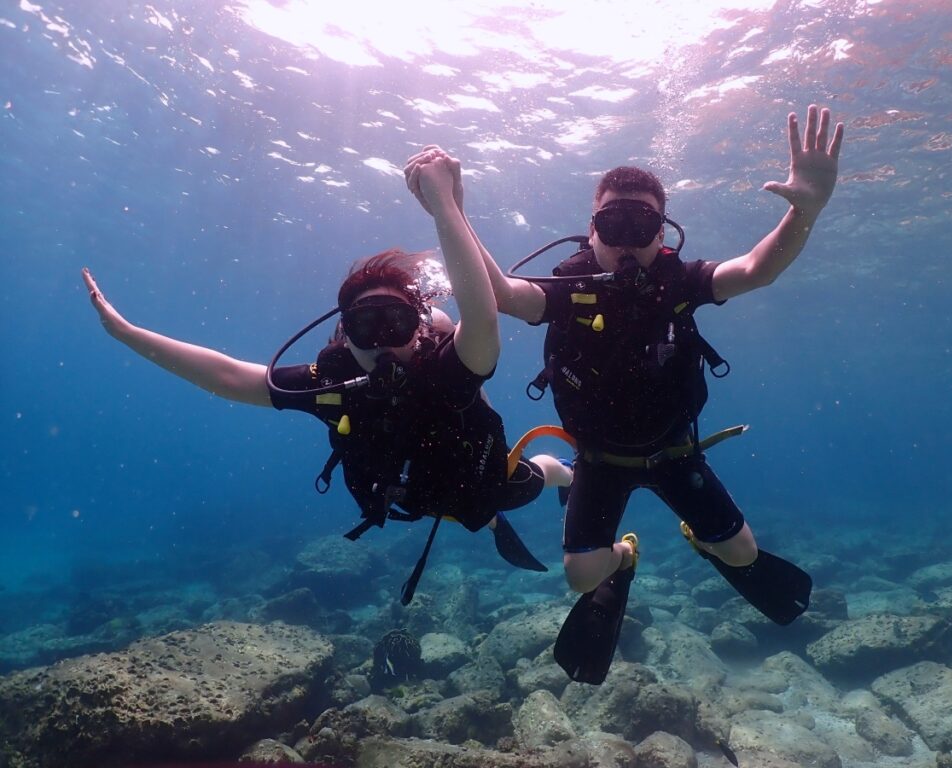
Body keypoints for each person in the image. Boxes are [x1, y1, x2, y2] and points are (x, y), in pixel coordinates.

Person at [405, 104, 844, 682]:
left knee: (741, 555)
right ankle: (623, 559)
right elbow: (505, 296)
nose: (629, 243)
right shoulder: (570, 286)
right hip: (598, 459)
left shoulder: (680, 282)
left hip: (676, 453)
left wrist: (807, 210)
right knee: (581, 576)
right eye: (614, 227)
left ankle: (700, 538)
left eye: (643, 227)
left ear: (663, 233)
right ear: (592, 230)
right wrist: (451, 211)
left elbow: (758, 269)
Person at [83, 153, 572, 604]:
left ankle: (570, 473)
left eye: (396, 324)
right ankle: (494, 514)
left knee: (533, 478)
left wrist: (445, 205)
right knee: (479, 514)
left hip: (482, 482)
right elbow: (231, 377)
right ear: (344, 335)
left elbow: (482, 316)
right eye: (364, 326)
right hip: (412, 495)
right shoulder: (329, 384)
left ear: (420, 327)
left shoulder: (448, 367)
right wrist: (127, 334)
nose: (381, 341)